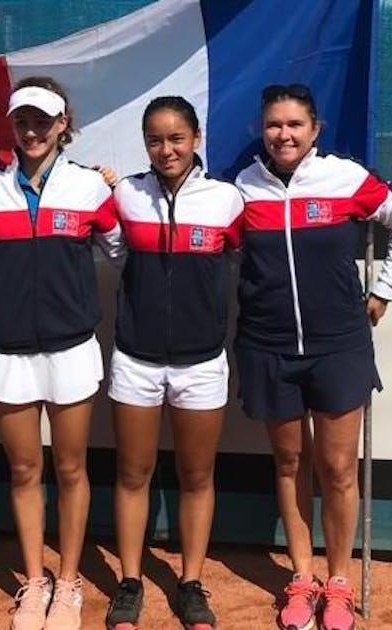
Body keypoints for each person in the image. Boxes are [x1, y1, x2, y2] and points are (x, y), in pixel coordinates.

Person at [234, 84, 392, 630]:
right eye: (274, 125)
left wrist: (383, 291)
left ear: (315, 129)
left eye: (295, 124)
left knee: (337, 468)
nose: (283, 135)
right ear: (261, 130)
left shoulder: (344, 178)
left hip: (338, 345)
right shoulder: (242, 188)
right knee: (290, 463)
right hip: (269, 344)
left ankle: (337, 581)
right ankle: (301, 576)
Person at [0, 77, 123, 630]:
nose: (32, 131)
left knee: (70, 466)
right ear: (11, 126)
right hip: (9, 350)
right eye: (22, 121)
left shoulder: (89, 188)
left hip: (72, 349)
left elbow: (118, 248)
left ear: (63, 125)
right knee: (23, 468)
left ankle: (69, 581)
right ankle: (35, 582)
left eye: (43, 121)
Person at [103, 96, 242, 630]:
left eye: (177, 138)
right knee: (132, 473)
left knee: (196, 475)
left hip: (201, 362)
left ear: (196, 138)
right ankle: (130, 582)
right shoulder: (125, 195)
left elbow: (246, 258)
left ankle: (190, 583)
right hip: (135, 359)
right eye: (156, 140)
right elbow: (110, 249)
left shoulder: (226, 200)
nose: (167, 149)